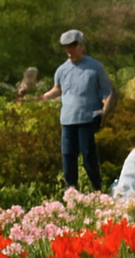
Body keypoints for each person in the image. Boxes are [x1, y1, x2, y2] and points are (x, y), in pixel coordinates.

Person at [40, 29, 115, 191]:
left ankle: (97, 189)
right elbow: (57, 89)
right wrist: (43, 97)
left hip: (88, 117)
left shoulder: (95, 67)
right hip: (67, 119)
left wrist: (105, 109)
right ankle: (71, 192)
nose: (69, 50)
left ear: (81, 46)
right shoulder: (61, 70)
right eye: (66, 47)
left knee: (88, 155)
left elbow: (106, 91)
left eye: (73, 46)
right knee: (68, 156)